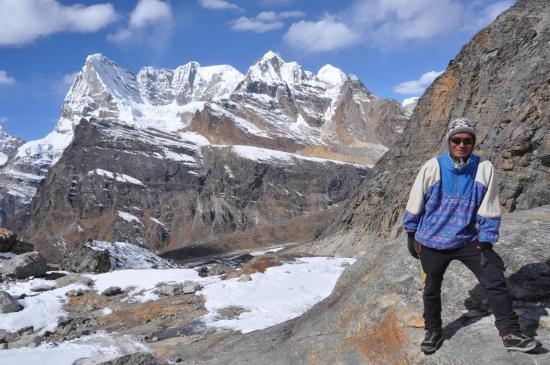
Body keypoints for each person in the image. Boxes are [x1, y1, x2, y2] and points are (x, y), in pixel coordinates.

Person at [403, 118, 541, 354]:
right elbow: (416, 200)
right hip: (431, 241)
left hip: (467, 239)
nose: (461, 144)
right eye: (456, 139)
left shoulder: (484, 167)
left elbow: (489, 206)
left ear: (473, 143)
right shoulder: (433, 166)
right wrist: (411, 232)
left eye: (468, 140)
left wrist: (486, 242)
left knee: (494, 279)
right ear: (449, 141)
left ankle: (510, 333)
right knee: (431, 288)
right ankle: (434, 331)